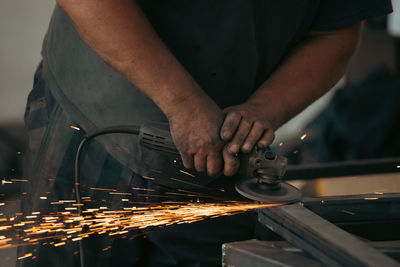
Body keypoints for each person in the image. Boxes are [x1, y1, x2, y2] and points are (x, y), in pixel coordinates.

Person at [18, 1, 392, 266]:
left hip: (220, 156)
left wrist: (264, 108)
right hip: (93, 121)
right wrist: (182, 101)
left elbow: (338, 31)